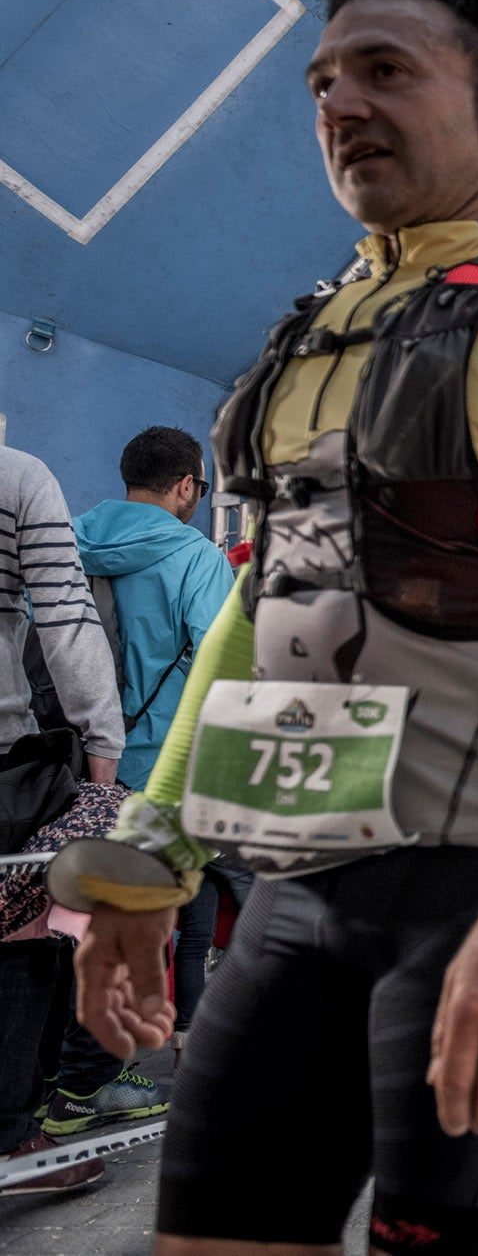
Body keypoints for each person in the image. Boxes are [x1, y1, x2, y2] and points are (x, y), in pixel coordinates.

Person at [50, 0, 478, 1253]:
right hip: (294, 892)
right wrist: (150, 854)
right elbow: (253, 611)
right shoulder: (312, 331)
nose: (341, 99)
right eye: (324, 79)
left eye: (387, 70)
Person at [0, 442, 141, 1195]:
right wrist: (103, 755)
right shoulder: (18, 477)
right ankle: (15, 1133)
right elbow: (63, 614)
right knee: (19, 934)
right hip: (5, 756)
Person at [72, 426, 238, 790]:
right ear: (186, 485)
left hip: (65, 757)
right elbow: (223, 669)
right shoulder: (200, 559)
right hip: (157, 768)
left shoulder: (65, 541)